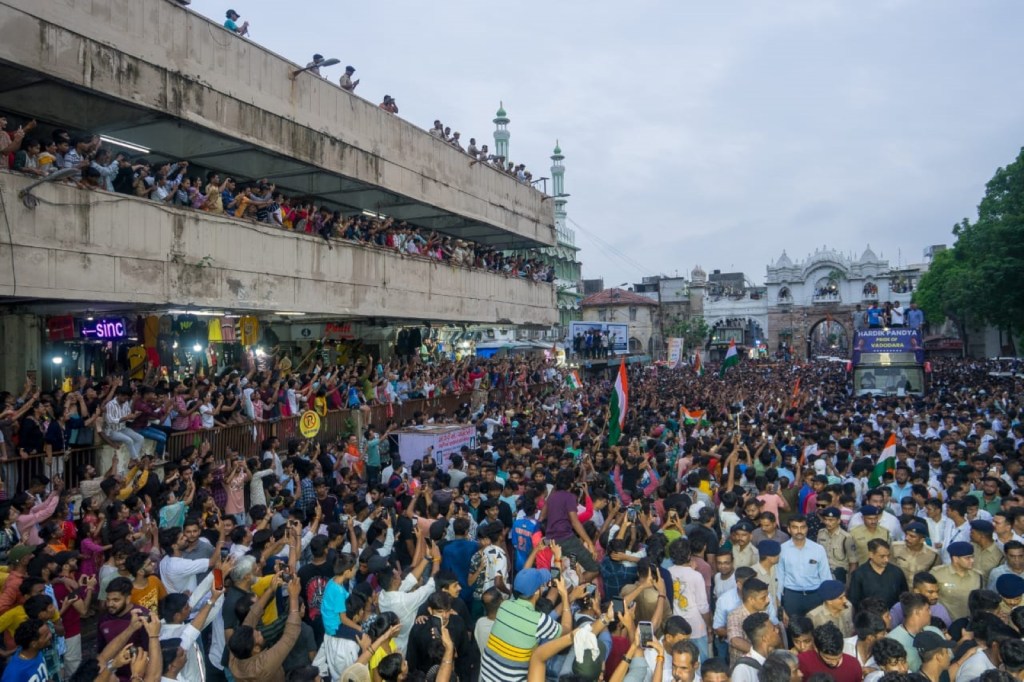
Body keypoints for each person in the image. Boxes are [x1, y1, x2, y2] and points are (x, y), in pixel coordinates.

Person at [228, 575, 303, 682]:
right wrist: (294, 598)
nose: (259, 631)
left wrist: (270, 589)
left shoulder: (235, 654)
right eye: (258, 635)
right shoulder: (262, 667)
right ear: (256, 649)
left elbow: (251, 617)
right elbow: (289, 637)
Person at [777, 515, 832, 622]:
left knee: (817, 629)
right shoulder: (782, 549)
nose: (799, 531)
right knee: (793, 630)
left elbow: (825, 576)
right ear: (789, 529)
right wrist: (779, 605)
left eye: (802, 527)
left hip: (815, 596)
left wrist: (828, 600)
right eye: (795, 527)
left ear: (807, 529)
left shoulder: (818, 549)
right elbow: (779, 577)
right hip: (792, 597)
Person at [848, 539, 908, 610]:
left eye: (888, 556)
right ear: (871, 554)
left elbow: (904, 597)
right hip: (869, 617)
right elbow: (854, 601)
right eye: (882, 556)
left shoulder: (897, 572)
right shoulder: (859, 574)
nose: (886, 560)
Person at [932, 542, 985, 621]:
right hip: (946, 623)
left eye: (972, 557)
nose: (972, 560)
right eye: (967, 558)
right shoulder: (937, 574)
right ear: (955, 559)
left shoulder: (977, 576)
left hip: (970, 623)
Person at [797, 622, 863, 682]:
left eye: (838, 657)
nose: (834, 663)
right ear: (816, 649)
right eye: (828, 658)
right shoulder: (802, 662)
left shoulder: (854, 666)